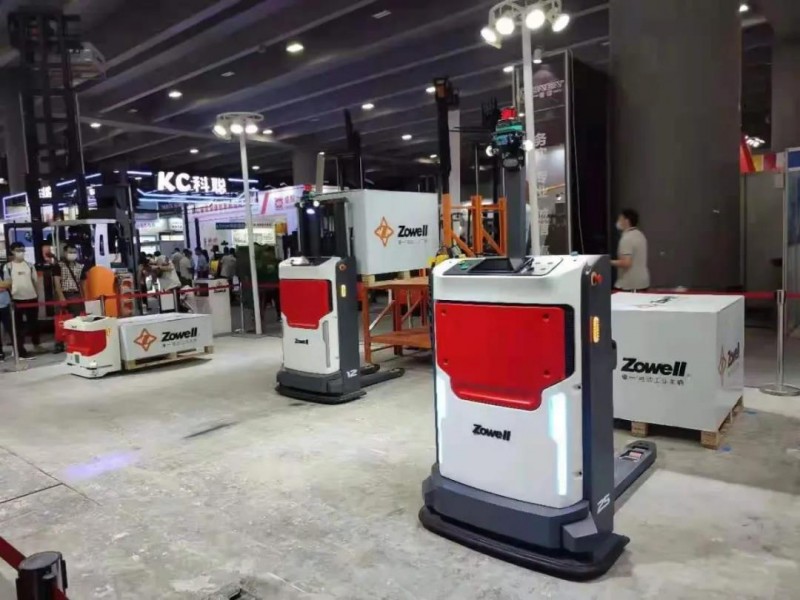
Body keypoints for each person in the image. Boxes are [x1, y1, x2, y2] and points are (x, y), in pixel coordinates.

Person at [4, 242, 40, 356]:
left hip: (31, 298)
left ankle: (36, 344)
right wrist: (11, 297)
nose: (21, 252)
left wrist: (36, 295)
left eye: (23, 250)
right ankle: (20, 349)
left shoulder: (30, 265)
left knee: (33, 324)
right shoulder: (8, 267)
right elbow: (7, 284)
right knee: (17, 326)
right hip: (16, 299)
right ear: (12, 251)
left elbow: (35, 281)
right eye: (18, 250)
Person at [53, 244, 87, 352]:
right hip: (63, 294)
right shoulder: (59, 266)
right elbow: (57, 283)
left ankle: (77, 341)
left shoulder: (80, 266)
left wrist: (84, 297)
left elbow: (83, 284)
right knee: (61, 320)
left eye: (74, 252)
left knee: (77, 319)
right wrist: (61, 297)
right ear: (65, 253)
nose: (72, 254)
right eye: (70, 252)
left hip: (76, 295)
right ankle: (59, 343)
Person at [611, 208, 650, 292]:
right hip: (643, 283)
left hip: (630, 285)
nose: (618, 222)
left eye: (620, 219)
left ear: (626, 221)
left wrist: (607, 262)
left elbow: (626, 263)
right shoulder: (640, 235)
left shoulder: (627, 238)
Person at [259, 245, 281, 320]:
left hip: (274, 285)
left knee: (277, 301)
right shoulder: (262, 263)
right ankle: (260, 317)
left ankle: (279, 315)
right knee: (263, 302)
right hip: (266, 285)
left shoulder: (277, 262)